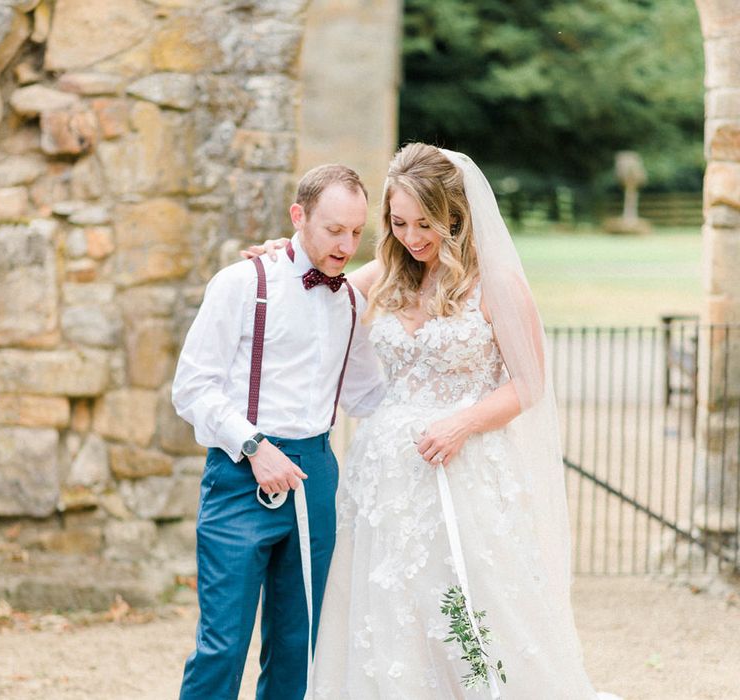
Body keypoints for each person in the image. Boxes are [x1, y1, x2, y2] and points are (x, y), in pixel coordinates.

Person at [251, 142, 621, 699]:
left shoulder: (495, 284)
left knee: (470, 606)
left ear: (455, 216)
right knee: (389, 606)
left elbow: (529, 385)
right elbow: (315, 289)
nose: (412, 236)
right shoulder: (387, 274)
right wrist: (287, 252)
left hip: (465, 470)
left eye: (425, 223)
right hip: (383, 479)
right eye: (398, 222)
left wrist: (462, 423)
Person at [171, 164, 385, 700]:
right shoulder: (243, 283)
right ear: (299, 216)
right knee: (223, 644)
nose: (346, 245)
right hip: (243, 476)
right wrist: (252, 445)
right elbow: (191, 387)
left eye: (357, 232)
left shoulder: (352, 303)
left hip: (316, 474)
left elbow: (364, 396)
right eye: (334, 230)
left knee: (298, 644)